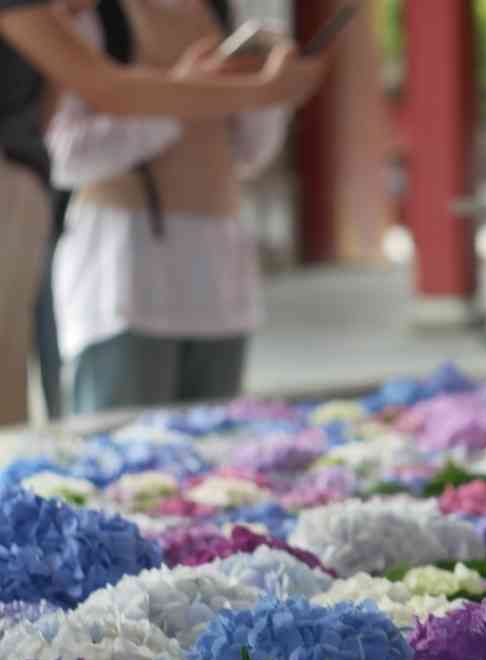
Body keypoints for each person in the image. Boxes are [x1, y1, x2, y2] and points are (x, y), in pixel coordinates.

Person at [0, 0, 330, 425]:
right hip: (123, 278)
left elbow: (245, 151)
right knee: (113, 443)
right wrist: (209, 96)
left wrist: (267, 97)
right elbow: (82, 124)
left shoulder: (219, 14)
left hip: (218, 279)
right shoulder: (91, 18)